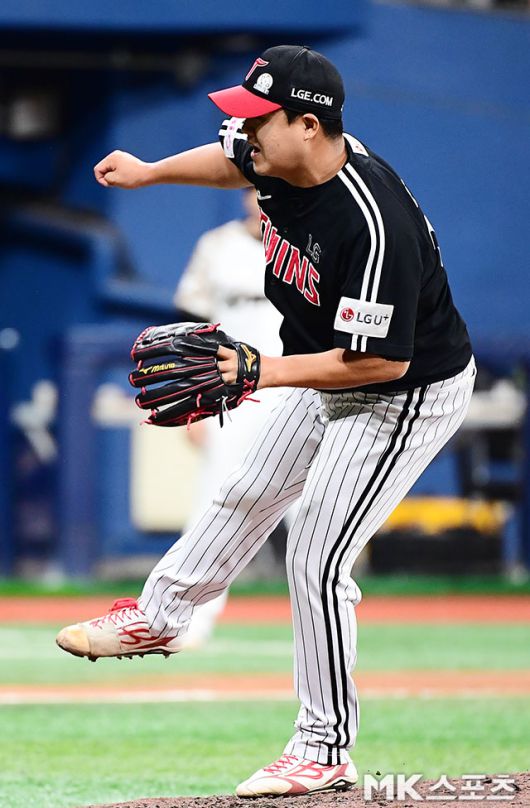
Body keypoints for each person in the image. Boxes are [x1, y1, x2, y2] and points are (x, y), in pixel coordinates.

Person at [57, 45, 475, 798]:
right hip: (323, 371)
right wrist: (150, 171)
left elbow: (379, 364)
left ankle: (323, 749)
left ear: (308, 125)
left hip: (402, 395)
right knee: (244, 487)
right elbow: (228, 162)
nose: (242, 133)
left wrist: (258, 371)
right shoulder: (274, 156)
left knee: (316, 553)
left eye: (257, 120)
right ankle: (161, 617)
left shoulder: (371, 225)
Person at [175, 188, 286, 647]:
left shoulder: (309, 243)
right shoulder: (216, 245)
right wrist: (192, 402)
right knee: (214, 502)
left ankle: (328, 627)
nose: (260, 198)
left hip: (298, 384)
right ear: (243, 197)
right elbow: (189, 326)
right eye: (253, 190)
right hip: (232, 389)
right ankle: (189, 619)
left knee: (315, 509)